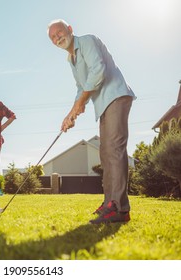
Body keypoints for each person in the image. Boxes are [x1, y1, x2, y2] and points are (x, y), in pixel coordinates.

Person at [47, 19, 136, 224]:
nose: (57, 38)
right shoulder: (71, 60)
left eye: (59, 32)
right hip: (103, 104)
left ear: (69, 29)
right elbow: (81, 88)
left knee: (114, 150)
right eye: (52, 37)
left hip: (116, 96)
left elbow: (98, 70)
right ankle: (109, 204)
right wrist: (71, 114)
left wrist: (81, 102)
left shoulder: (87, 41)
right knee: (106, 154)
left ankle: (120, 209)